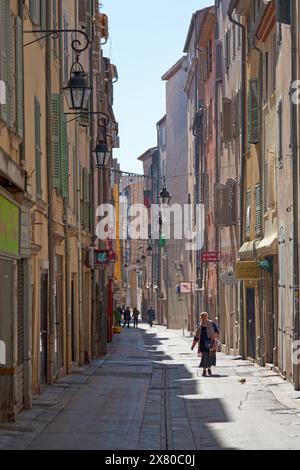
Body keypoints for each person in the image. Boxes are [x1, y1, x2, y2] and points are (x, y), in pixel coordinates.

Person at [191, 312, 219, 377]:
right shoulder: (199, 326)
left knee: (210, 356)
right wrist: (193, 345)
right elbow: (196, 337)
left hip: (211, 343)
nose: (203, 319)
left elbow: (217, 332)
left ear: (207, 317)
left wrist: (214, 336)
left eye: (204, 317)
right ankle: (204, 370)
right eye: (202, 318)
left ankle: (209, 369)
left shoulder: (212, 324)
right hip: (203, 344)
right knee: (204, 356)